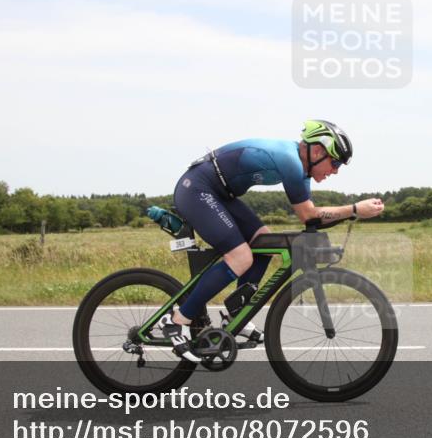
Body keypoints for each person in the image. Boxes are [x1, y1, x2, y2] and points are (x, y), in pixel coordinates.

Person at [157, 120, 384, 361]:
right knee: (240, 257)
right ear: (317, 151)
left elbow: (312, 220)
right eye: (335, 162)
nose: (335, 170)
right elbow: (309, 215)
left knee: (264, 241)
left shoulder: (301, 170)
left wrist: (352, 211)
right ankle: (177, 320)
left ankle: (237, 315)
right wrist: (354, 209)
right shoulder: (290, 161)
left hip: (219, 194)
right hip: (197, 190)